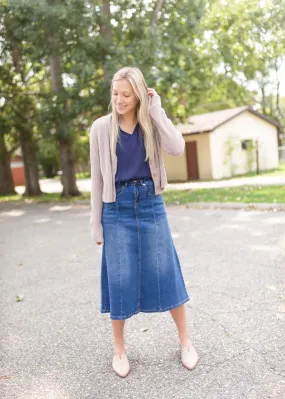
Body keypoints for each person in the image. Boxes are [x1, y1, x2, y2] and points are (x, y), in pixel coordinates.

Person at [89, 66, 199, 378]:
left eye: (126, 94)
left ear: (138, 95)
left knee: (166, 270)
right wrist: (96, 225)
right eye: (115, 93)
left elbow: (177, 147)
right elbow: (97, 180)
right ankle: (119, 350)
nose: (119, 100)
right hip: (117, 209)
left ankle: (186, 341)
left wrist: (157, 110)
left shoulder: (151, 123)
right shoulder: (100, 129)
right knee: (120, 278)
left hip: (151, 203)